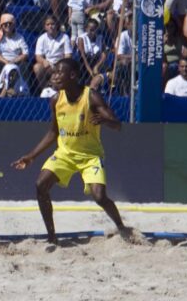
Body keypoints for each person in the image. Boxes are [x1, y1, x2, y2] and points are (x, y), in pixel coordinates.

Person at [11, 58, 127, 245]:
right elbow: (53, 132)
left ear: (72, 75)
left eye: (59, 72)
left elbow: (118, 125)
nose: (54, 76)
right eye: (54, 72)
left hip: (90, 156)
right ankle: (52, 237)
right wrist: (31, 156)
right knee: (41, 185)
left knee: (100, 197)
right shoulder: (56, 100)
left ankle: (121, 227)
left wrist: (105, 121)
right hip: (65, 154)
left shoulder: (91, 97)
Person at [33, 16, 73, 93]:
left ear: (57, 25)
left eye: (52, 24)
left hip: (61, 64)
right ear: (45, 27)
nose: (50, 26)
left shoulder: (65, 37)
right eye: (48, 24)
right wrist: (44, 61)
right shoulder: (41, 38)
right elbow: (38, 56)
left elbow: (68, 55)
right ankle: (45, 89)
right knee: (37, 67)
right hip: (47, 65)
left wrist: (60, 65)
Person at [77, 18, 107, 90]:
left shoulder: (100, 38)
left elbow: (104, 54)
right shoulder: (81, 38)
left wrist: (97, 66)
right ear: (86, 29)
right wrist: (90, 70)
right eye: (90, 30)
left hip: (96, 61)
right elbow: (83, 56)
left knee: (104, 66)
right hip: (84, 62)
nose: (92, 32)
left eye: (94, 30)